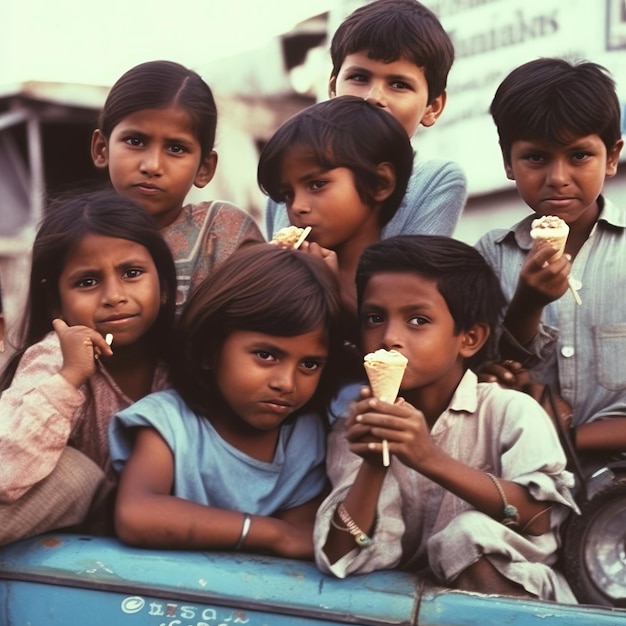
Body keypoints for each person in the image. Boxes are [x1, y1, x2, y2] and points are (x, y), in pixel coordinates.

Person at [313, 235, 578, 602]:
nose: (389, 337)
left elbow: (541, 517)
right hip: (402, 605)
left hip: (518, 602)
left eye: (417, 320)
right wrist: (374, 464)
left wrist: (429, 458)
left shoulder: (509, 412)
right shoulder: (354, 427)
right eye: (374, 318)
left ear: (469, 338)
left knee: (465, 534)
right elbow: (341, 554)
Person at [108, 244, 344, 559]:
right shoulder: (170, 423)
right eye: (266, 355)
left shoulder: (304, 437)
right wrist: (271, 534)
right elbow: (136, 514)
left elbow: (301, 539)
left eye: (310, 364)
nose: (286, 383)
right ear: (210, 351)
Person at [0, 189, 177, 545]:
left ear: (164, 286)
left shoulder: (184, 364)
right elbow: (6, 470)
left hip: (158, 527)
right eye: (87, 282)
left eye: (131, 272)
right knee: (76, 474)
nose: (114, 295)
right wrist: (69, 378)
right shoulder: (56, 357)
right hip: (71, 530)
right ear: (56, 304)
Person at [475, 59, 625, 473]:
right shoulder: (490, 256)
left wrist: (566, 435)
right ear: (508, 163)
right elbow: (488, 374)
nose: (558, 177)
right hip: (525, 477)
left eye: (579, 155)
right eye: (536, 158)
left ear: (611, 157)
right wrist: (527, 303)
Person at [264, 0, 466, 241]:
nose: (374, 97)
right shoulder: (293, 182)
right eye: (359, 77)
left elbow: (409, 274)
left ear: (432, 107)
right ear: (332, 89)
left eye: (399, 85)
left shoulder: (435, 180)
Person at [91, 60, 264, 313]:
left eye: (176, 148)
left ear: (204, 168)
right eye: (135, 141)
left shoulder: (224, 234)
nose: (152, 165)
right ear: (101, 149)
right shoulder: (78, 241)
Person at [258, 95, 413, 347]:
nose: (297, 206)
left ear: (379, 183)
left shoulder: (407, 279)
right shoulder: (283, 275)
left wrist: (332, 294)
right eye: (288, 194)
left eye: (317, 184)